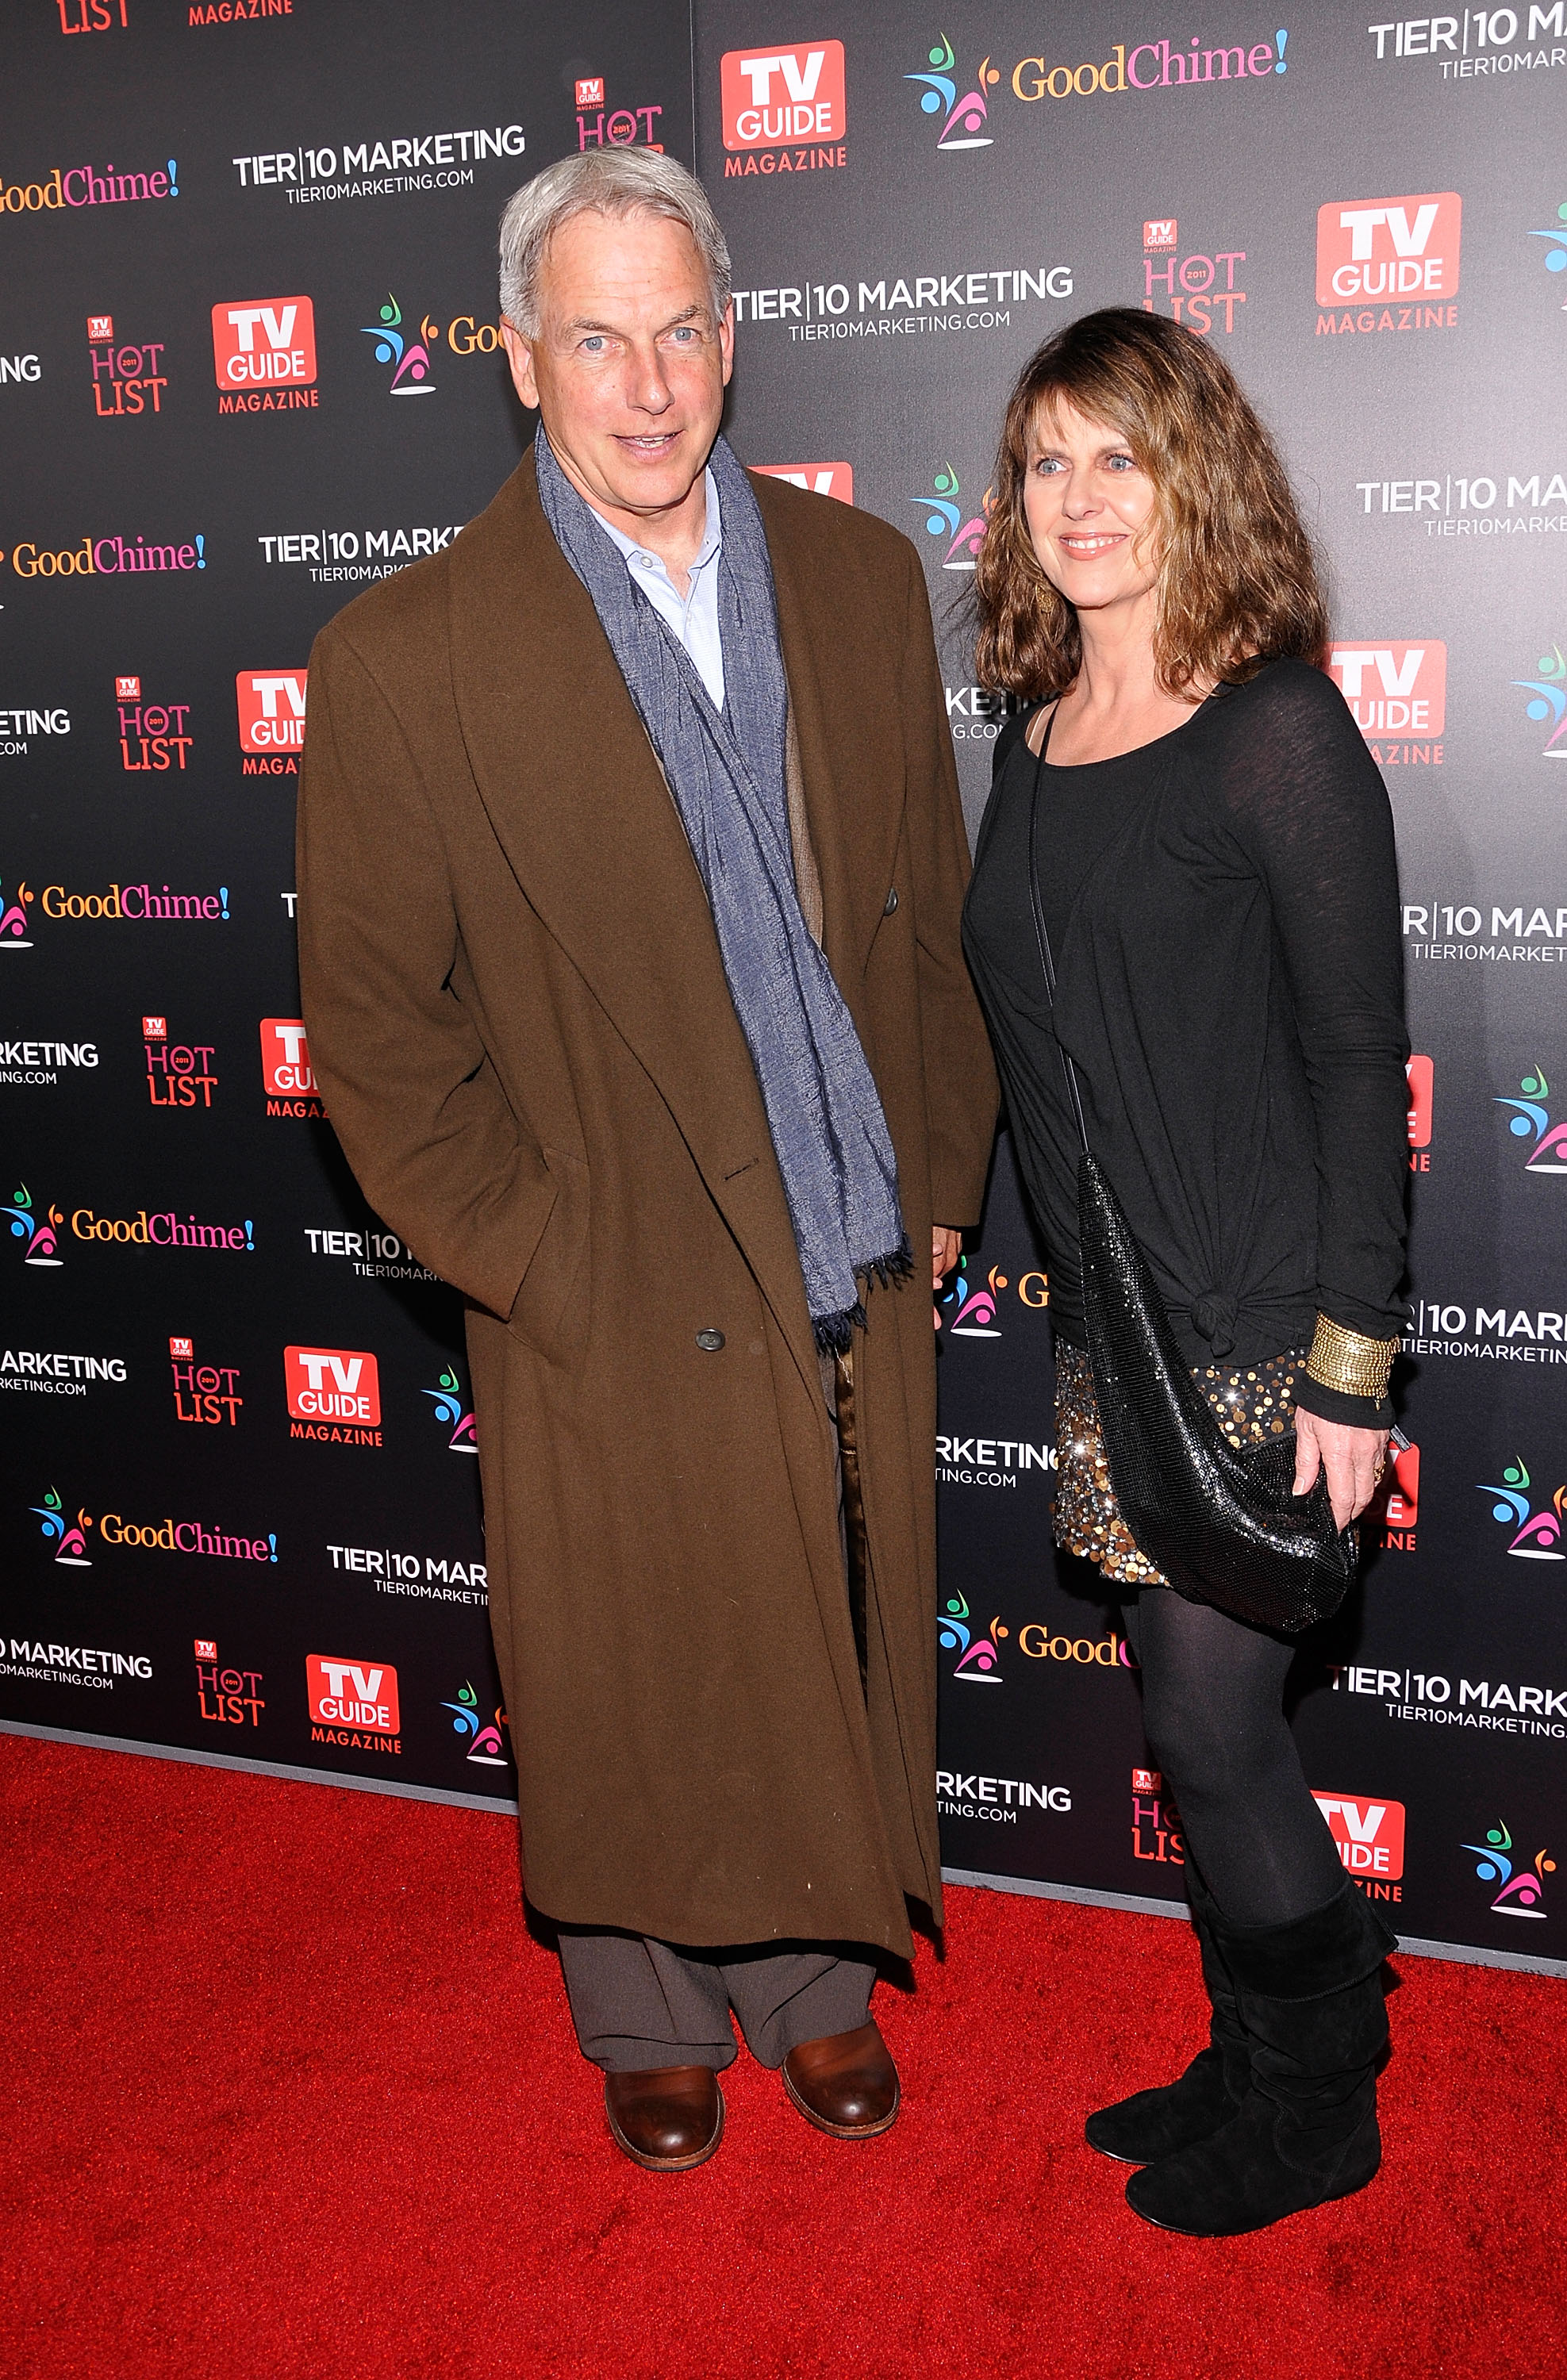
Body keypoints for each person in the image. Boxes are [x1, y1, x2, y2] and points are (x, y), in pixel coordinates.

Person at [296, 148, 997, 2173]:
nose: (648, 382)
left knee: (832, 1602)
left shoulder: (857, 584)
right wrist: (537, 1253)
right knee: (623, 1643)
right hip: (603, 1252)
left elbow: (924, 920)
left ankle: (815, 1985)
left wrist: (935, 1167)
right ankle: (646, 2007)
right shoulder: (407, 655)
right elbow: (378, 1035)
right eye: (595, 338)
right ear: (521, 361)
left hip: (843, 1221)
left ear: (730, 333)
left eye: (681, 326)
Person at [962, 309, 1408, 2236]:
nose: (1078, 500)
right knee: (1184, 1726)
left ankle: (1323, 2105)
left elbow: (1349, 1062)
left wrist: (1352, 1369)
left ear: (1194, 474)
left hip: (1254, 1326)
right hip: (1113, 1325)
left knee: (1216, 1735)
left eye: (1118, 456)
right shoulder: (1035, 732)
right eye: (1047, 460)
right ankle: (1251, 2052)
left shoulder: (1276, 727)